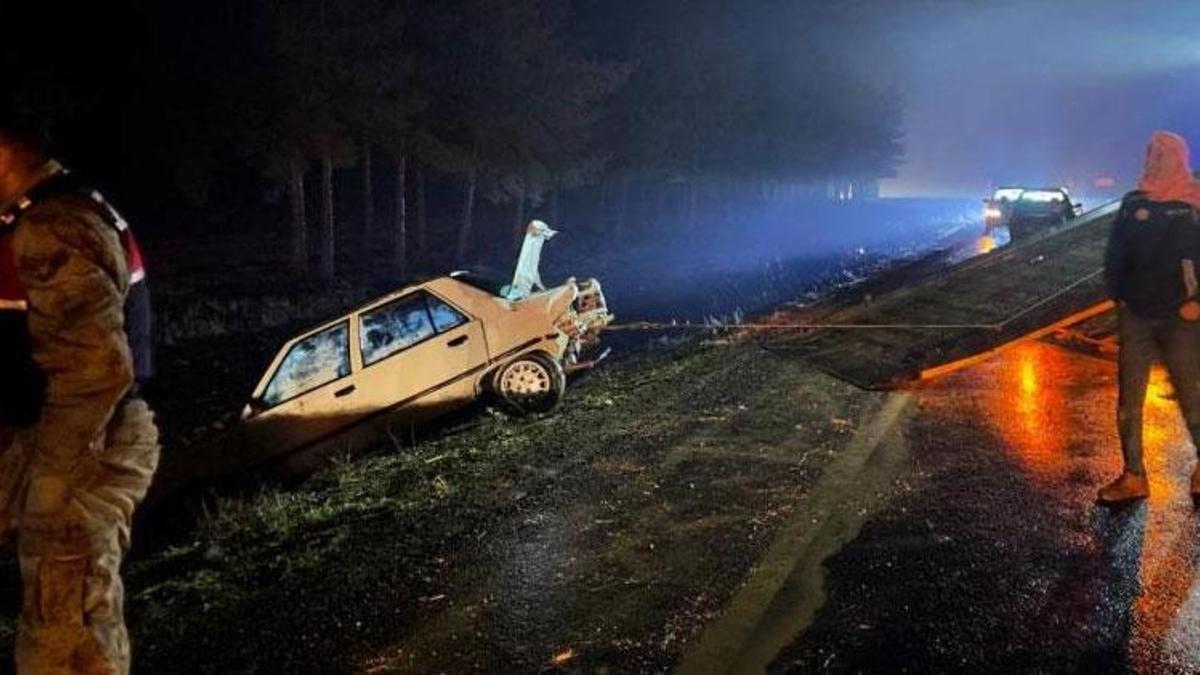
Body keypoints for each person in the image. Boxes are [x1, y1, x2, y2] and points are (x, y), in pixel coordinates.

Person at [0, 114, 158, 672]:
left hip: (79, 449)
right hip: (53, 439)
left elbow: (94, 375)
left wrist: (51, 487)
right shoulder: (53, 214)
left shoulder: (52, 226)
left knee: (66, 638)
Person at [1100, 130, 1200, 503]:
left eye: (1165, 153)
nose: (1157, 159)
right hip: (1136, 316)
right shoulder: (1133, 203)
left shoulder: (1193, 203)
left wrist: (1197, 301)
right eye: (1152, 153)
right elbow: (1116, 255)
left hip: (1182, 317)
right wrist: (1120, 296)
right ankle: (1133, 475)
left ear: (1180, 156)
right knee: (1129, 399)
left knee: (1192, 394)